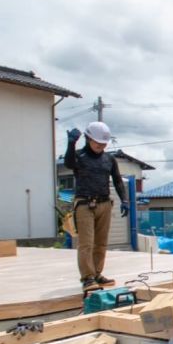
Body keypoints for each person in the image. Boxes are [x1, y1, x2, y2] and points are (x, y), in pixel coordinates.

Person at [65, 121, 129, 292]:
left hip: (104, 203)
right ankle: (87, 278)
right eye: (97, 143)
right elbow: (69, 163)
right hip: (85, 204)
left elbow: (117, 180)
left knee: (101, 242)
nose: (101, 146)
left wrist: (125, 200)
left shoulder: (109, 159)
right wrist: (71, 143)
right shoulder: (79, 156)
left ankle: (97, 273)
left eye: (104, 144)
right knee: (86, 243)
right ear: (88, 138)